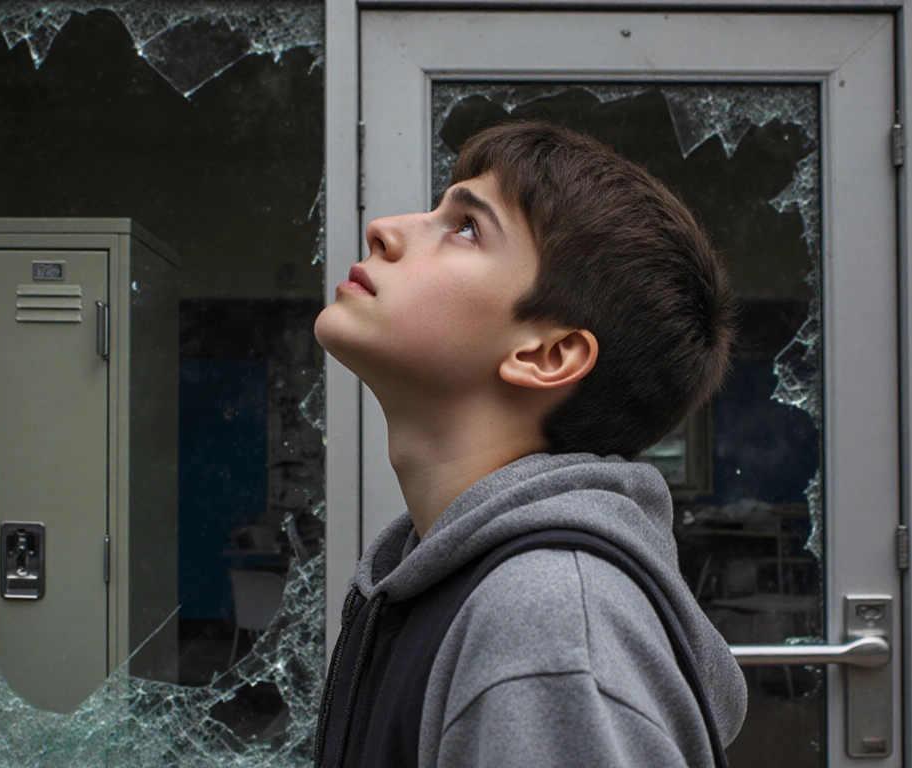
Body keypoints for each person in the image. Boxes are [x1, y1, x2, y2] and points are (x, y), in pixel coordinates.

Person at [311, 120, 747, 768]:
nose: (385, 229)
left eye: (466, 227)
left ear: (547, 354)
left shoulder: (547, 627)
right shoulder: (430, 580)